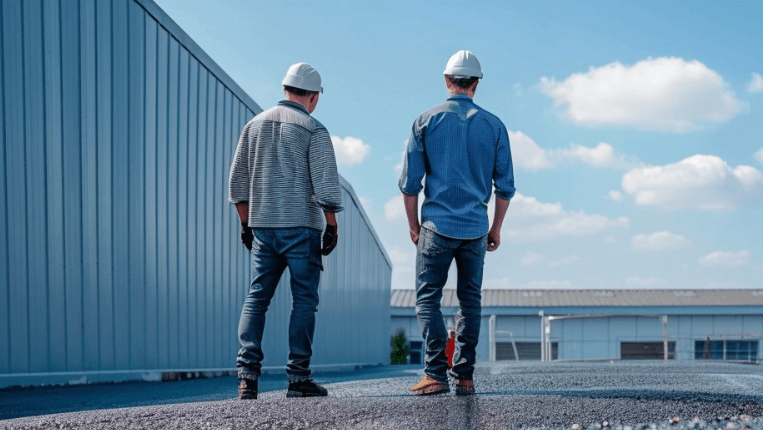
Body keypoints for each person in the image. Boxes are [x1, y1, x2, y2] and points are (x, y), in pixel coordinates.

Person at [399, 50, 515, 396]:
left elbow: (409, 185)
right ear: (476, 84)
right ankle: (464, 376)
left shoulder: (425, 121)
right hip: (476, 228)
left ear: (447, 80)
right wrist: (495, 228)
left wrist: (414, 227)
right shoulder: (494, 125)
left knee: (427, 299)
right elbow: (505, 187)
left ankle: (435, 372)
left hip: (435, 226)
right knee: (470, 301)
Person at [228, 62, 343, 400]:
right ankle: (298, 378)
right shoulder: (313, 128)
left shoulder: (253, 125)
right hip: (302, 228)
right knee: (304, 300)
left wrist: (245, 224)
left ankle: (247, 378)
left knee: (257, 297)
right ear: (313, 97)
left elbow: (238, 182)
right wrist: (332, 225)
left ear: (285, 89)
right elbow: (326, 187)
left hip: (263, 227)